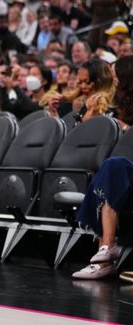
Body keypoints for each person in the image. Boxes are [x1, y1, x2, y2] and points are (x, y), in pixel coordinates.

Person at [72, 55, 133, 280]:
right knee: (109, 170)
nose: (113, 79)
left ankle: (105, 254)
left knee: (113, 167)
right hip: (125, 170)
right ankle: (105, 252)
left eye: (116, 75)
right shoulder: (120, 105)